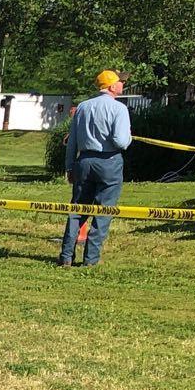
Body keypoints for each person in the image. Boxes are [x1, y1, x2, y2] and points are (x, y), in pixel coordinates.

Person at [58, 70, 131, 268]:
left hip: (84, 162)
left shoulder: (83, 107)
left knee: (77, 210)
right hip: (109, 161)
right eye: (120, 82)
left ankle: (66, 256)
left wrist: (70, 167)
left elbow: (72, 141)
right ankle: (90, 260)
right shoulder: (119, 109)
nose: (122, 85)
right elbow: (121, 141)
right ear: (111, 87)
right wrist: (129, 137)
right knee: (103, 211)